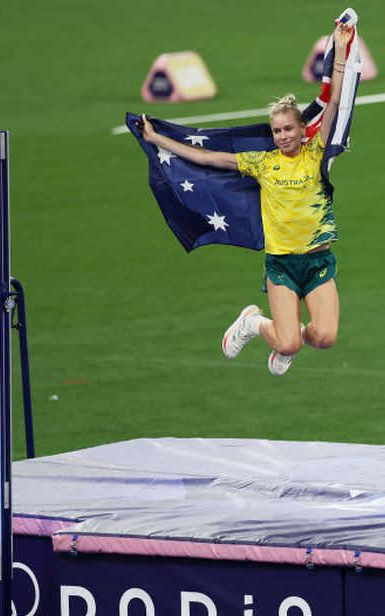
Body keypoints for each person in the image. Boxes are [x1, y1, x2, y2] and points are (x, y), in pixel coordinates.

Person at [137, 24, 354, 376]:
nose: (282, 136)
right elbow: (206, 159)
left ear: (302, 129)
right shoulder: (262, 162)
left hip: (318, 262)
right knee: (286, 346)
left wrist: (341, 50)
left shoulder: (315, 154)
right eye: (276, 131)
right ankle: (253, 322)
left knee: (324, 338)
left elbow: (335, 103)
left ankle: (290, 334)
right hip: (282, 265)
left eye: (288, 129)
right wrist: (158, 139)